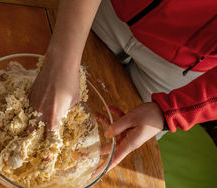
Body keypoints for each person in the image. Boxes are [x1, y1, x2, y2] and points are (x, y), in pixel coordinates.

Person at [29, 0, 217, 170]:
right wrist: (61, 61)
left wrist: (171, 112)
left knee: (101, 154)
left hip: (181, 69)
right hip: (108, 9)